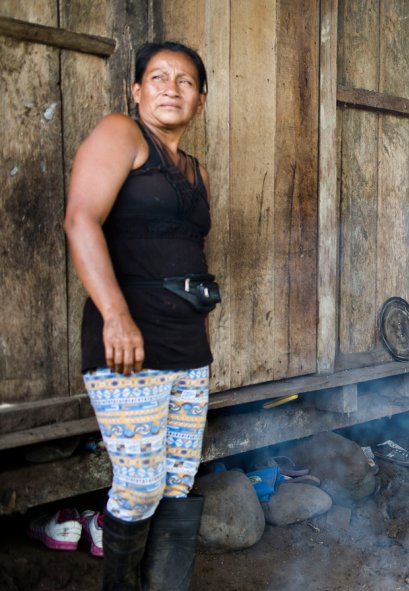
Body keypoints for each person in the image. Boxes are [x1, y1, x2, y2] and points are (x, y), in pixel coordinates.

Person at [63, 41, 217, 590]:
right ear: (135, 91)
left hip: (187, 347)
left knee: (178, 481)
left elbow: (188, 253)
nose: (171, 88)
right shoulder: (121, 135)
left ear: (200, 99)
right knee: (138, 483)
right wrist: (114, 315)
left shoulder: (194, 171)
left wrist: (203, 333)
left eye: (185, 81)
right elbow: (81, 220)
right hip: (129, 341)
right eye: (158, 77)